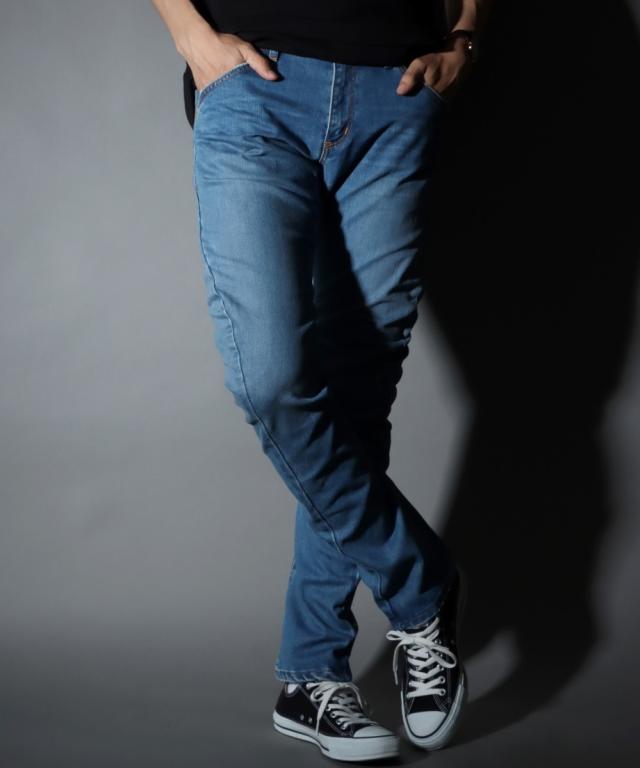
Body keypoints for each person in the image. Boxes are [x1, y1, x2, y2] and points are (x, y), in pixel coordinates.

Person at [151, 0, 493, 761]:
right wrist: (191, 36)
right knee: (272, 379)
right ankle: (421, 583)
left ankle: (311, 676)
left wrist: (464, 37)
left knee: (358, 395)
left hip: (396, 96)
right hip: (257, 88)